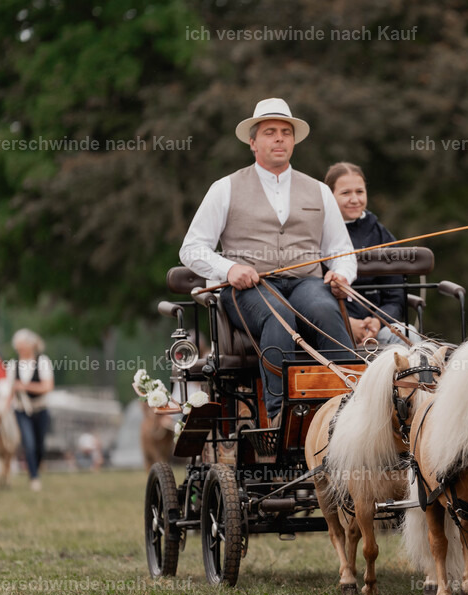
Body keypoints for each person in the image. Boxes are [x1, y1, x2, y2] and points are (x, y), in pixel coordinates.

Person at [179, 98, 358, 427]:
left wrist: (341, 274)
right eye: (270, 132)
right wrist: (229, 269)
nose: (279, 138)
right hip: (249, 289)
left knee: (325, 309)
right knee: (280, 316)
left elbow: (341, 249)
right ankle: (278, 416)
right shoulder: (225, 189)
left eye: (286, 133)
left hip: (306, 282)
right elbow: (191, 248)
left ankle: (351, 406)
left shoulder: (319, 191)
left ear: (293, 141)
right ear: (253, 142)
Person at [325, 162, 420, 347]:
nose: (354, 199)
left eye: (359, 192)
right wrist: (347, 322)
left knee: (410, 334)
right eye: (346, 193)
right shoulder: (318, 232)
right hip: (333, 326)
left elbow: (395, 296)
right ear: (329, 196)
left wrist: (378, 321)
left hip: (379, 327)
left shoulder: (382, 235)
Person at [2, 329, 53, 491]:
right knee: (29, 444)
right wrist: (4, 408)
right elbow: (10, 390)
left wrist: (25, 386)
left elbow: (47, 387)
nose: (20, 350)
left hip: (40, 409)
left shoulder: (43, 362)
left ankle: (35, 469)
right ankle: (34, 477)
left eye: (22, 346)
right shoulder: (12, 365)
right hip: (21, 410)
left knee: (39, 446)